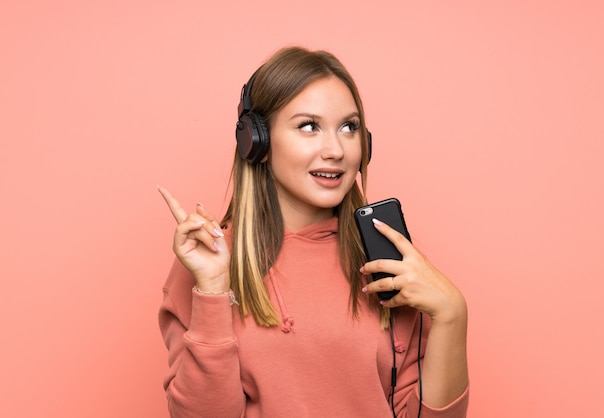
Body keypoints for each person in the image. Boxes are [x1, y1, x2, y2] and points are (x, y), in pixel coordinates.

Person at [158, 46, 469, 418]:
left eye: (349, 127)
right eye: (309, 126)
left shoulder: (388, 258)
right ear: (258, 142)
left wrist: (452, 314)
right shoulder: (208, 262)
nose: (336, 150)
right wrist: (211, 291)